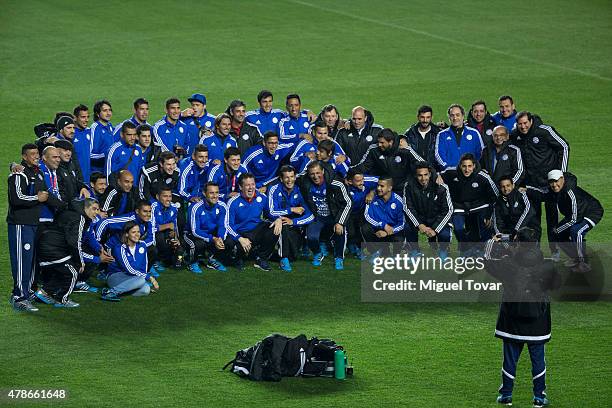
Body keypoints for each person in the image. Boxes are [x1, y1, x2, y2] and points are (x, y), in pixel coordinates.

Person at [484, 227, 556, 408]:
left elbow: (488, 262)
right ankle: (539, 398)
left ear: (517, 242)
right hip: (538, 320)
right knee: (538, 359)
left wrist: (491, 242)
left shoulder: (508, 264)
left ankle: (506, 395)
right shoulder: (547, 264)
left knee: (510, 359)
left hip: (512, 320)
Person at [511, 111, 570, 255]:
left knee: (552, 219)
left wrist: (559, 175)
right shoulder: (515, 136)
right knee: (533, 220)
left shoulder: (544, 131)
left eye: (525, 123)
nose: (523, 127)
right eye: (520, 124)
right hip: (531, 185)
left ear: (531, 121)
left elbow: (564, 146)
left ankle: (554, 250)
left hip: (550, 185)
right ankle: (535, 251)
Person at [35, 198, 100, 308]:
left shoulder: (69, 211)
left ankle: (44, 292)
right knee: (73, 271)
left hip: (47, 246)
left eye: (98, 209)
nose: (96, 212)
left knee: (63, 271)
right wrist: (80, 261)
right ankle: (62, 300)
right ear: (85, 208)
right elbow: (74, 242)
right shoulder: (79, 218)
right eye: (94, 209)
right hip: (53, 249)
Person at [7, 144, 49, 312]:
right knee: (21, 260)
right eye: (32, 154)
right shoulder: (18, 174)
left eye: (37, 153)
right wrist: (37, 198)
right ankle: (18, 296)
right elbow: (17, 198)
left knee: (31, 260)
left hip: (33, 223)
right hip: (20, 224)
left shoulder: (37, 172)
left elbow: (46, 195)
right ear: (24, 157)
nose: (36, 156)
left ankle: (28, 291)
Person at [440, 153, 498, 256]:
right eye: (464, 166)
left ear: (474, 165)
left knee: (484, 228)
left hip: (479, 206)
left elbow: (494, 196)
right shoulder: (452, 172)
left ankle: (485, 251)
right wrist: (438, 179)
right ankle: (465, 251)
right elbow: (437, 176)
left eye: (470, 166)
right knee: (458, 229)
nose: (467, 169)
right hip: (459, 207)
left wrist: (489, 215)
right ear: (460, 166)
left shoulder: (483, 176)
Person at [298, 161, 352, 270]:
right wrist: (265, 186)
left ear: (322, 171)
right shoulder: (304, 181)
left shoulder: (336, 183)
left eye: (318, 172)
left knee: (340, 231)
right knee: (311, 237)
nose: (315, 176)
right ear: (308, 174)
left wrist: (340, 222)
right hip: (317, 217)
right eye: (312, 174)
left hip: (334, 216)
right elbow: (289, 177)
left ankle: (339, 258)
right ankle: (318, 253)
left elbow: (348, 203)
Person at [548, 170, 603, 273]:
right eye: (551, 182)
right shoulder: (554, 189)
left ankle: (583, 263)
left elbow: (574, 219)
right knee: (558, 234)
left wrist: (558, 229)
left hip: (591, 212)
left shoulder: (570, 192)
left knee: (576, 231)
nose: (554, 185)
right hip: (576, 213)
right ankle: (576, 257)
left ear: (562, 179)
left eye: (556, 181)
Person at [226, 173, 283, 271]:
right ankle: (237, 258)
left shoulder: (262, 197)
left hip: (256, 230)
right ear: (240, 187)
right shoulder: (232, 202)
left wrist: (277, 219)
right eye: (247, 185)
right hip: (240, 232)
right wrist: (240, 238)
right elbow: (227, 225)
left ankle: (261, 258)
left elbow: (270, 213)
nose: (251, 188)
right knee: (231, 245)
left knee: (275, 228)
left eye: (252, 184)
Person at [267, 165, 314, 271]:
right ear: (281, 179)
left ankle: (271, 255)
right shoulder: (273, 189)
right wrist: (291, 210)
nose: (289, 180)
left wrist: (293, 221)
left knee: (293, 257)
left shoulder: (299, 190)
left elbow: (310, 215)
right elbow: (270, 212)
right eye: (286, 177)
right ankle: (283, 259)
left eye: (292, 176)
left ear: (295, 177)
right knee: (282, 223)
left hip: (293, 225)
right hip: (274, 223)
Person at [403, 162, 453, 259]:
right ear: (415, 175)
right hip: (420, 218)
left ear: (430, 174)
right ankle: (414, 251)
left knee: (445, 234)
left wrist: (435, 228)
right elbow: (408, 208)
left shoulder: (441, 187)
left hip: (436, 219)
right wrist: (419, 224)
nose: (423, 178)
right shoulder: (408, 186)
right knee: (408, 227)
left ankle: (444, 250)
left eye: (425, 175)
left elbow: (448, 210)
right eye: (420, 175)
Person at [101, 221, 159, 302]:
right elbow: (129, 269)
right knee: (141, 280)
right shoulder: (120, 248)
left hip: (132, 277)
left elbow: (144, 266)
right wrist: (150, 278)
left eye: (138, 232)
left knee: (146, 290)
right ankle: (110, 292)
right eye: (133, 232)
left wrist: (150, 223)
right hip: (115, 277)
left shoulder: (142, 245)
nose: (137, 234)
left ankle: (122, 290)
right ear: (127, 234)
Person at [354, 128, 423, 193]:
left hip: (402, 189)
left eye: (382, 142)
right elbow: (364, 166)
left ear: (390, 142)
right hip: (382, 189)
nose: (379, 145)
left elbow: (422, 164)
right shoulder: (374, 150)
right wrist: (349, 173)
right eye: (378, 142)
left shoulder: (404, 149)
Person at [184, 182, 232, 273]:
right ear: (204, 193)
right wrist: (213, 239)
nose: (215, 196)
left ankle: (212, 259)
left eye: (217, 192)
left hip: (211, 234)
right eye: (211, 193)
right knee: (198, 244)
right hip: (192, 234)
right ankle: (191, 262)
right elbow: (195, 230)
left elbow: (223, 226)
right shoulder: (195, 207)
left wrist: (220, 238)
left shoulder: (222, 206)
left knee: (228, 240)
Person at [361, 177, 405, 256]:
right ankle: (376, 252)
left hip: (392, 231)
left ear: (389, 188)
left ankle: (396, 254)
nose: (378, 188)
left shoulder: (399, 201)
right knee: (365, 228)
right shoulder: (371, 198)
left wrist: (388, 232)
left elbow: (402, 223)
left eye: (382, 186)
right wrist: (383, 225)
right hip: (378, 230)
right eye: (378, 185)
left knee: (400, 238)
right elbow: (367, 216)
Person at [435, 104, 484, 170]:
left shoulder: (474, 133)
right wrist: (448, 168)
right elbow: (439, 155)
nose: (455, 118)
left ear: (463, 116)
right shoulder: (442, 135)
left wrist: (472, 168)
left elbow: (481, 153)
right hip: (449, 173)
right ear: (449, 117)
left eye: (457, 115)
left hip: (470, 173)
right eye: (452, 115)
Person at [345, 169, 378, 259]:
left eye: (363, 179)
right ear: (350, 181)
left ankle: (374, 252)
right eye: (359, 181)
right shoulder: (344, 189)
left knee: (365, 229)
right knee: (351, 233)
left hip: (363, 212)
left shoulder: (368, 180)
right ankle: (354, 246)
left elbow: (384, 182)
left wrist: (372, 192)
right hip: (348, 214)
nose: (362, 182)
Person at [493, 175, 538, 241]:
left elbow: (529, 211)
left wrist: (516, 230)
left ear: (513, 185)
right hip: (511, 234)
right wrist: (499, 235)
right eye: (503, 187)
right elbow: (497, 221)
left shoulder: (521, 194)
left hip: (527, 230)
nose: (505, 189)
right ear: (500, 188)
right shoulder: (498, 202)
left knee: (523, 236)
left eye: (508, 186)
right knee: (493, 240)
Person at [151, 187, 185, 269]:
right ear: (158, 197)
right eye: (165, 196)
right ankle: (156, 260)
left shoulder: (174, 207)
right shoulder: (153, 207)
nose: (168, 199)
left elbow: (175, 226)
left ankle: (178, 260)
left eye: (170, 196)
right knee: (160, 237)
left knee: (180, 243)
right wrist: (167, 226)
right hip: (153, 236)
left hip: (167, 234)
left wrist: (176, 237)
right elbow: (150, 229)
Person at [105, 121, 144, 186]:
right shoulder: (114, 150)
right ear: (122, 134)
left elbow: (140, 172)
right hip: (119, 191)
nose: (132, 138)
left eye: (134, 135)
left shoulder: (138, 149)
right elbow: (107, 173)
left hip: (133, 191)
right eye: (129, 135)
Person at [38, 146, 67, 223]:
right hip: (41, 217)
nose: (58, 160)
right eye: (54, 157)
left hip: (53, 216)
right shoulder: (38, 170)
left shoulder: (53, 171)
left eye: (58, 157)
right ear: (44, 157)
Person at [90, 100, 114, 173]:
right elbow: (90, 155)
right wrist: (108, 155)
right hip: (97, 172)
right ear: (97, 114)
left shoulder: (109, 126)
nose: (108, 113)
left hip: (107, 169)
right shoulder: (95, 128)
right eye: (105, 111)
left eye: (110, 110)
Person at [73, 104, 93, 184]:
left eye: (87, 117)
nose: (86, 120)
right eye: (83, 117)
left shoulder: (90, 132)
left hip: (89, 179)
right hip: (76, 179)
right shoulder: (71, 134)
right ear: (75, 118)